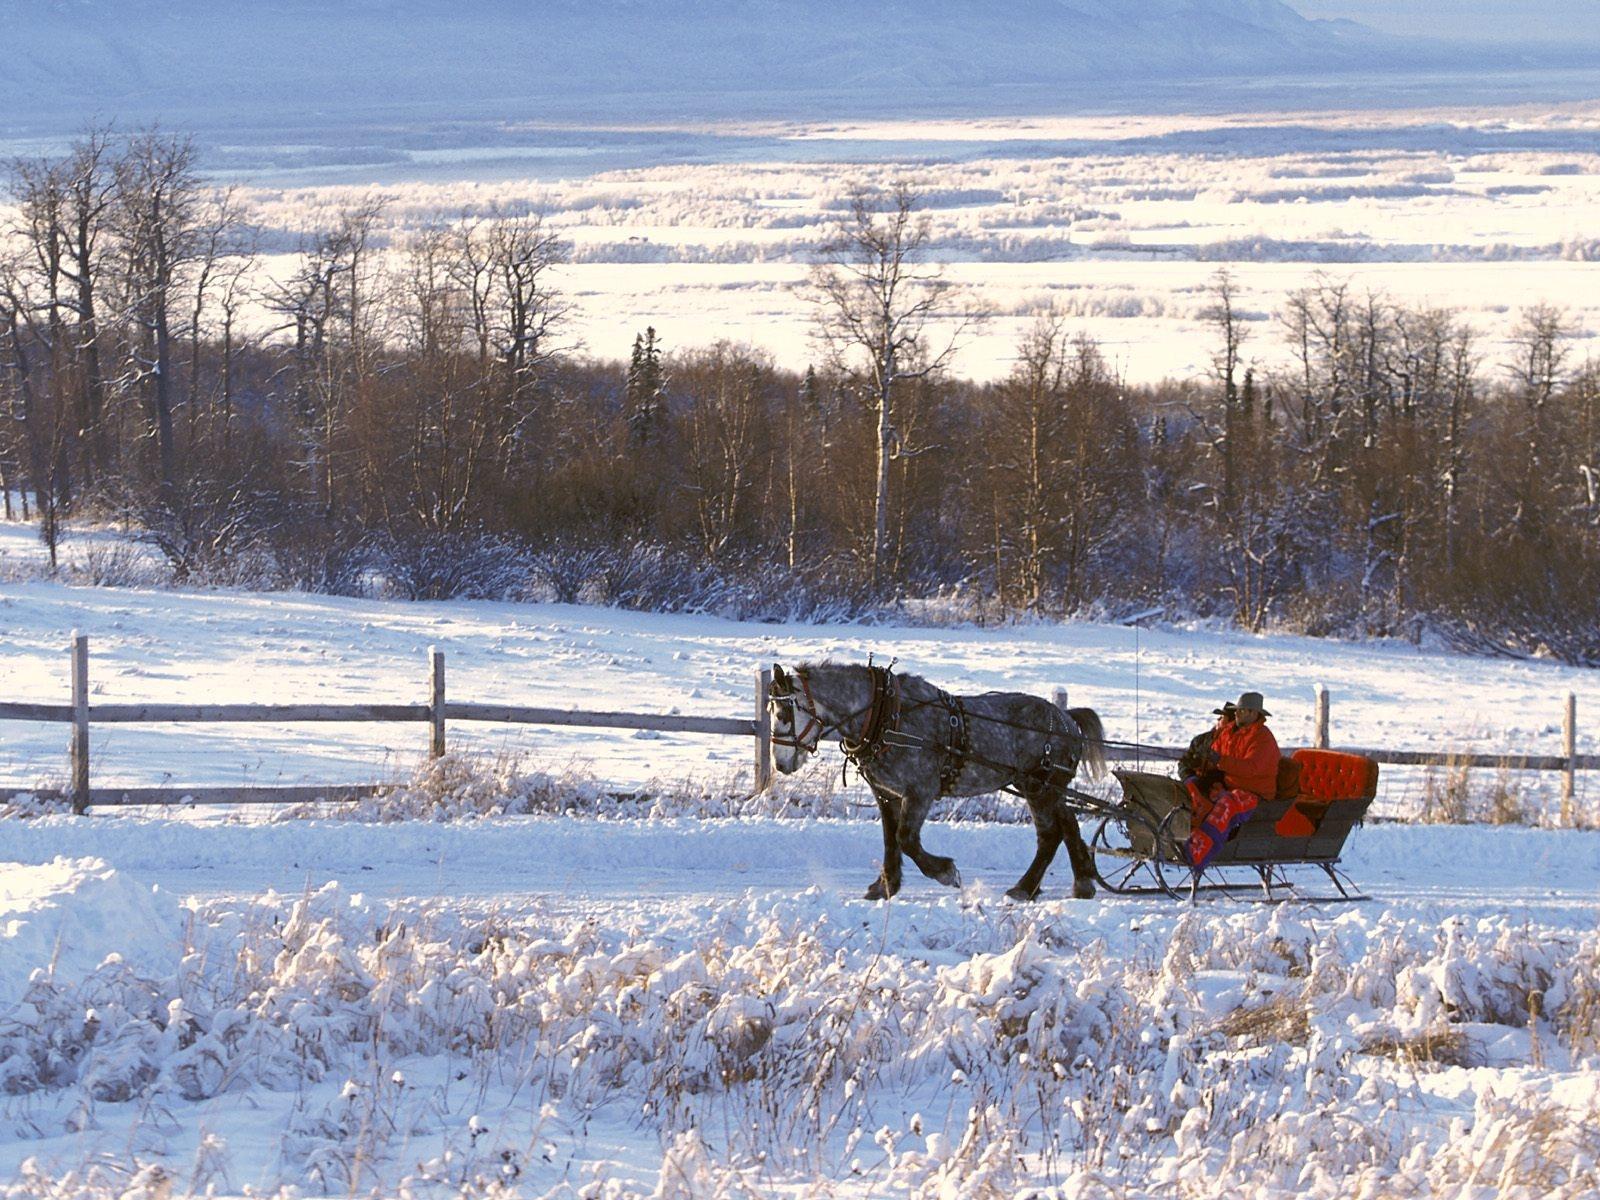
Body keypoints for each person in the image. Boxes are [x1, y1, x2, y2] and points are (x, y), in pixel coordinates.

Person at [1182, 691, 1279, 870]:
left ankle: (1199, 851)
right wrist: (1202, 764)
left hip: (1254, 792)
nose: (1236, 713)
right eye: (1237, 711)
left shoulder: (1263, 738)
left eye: (1240, 711)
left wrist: (1219, 760)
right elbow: (1216, 754)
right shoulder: (1228, 731)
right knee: (1192, 788)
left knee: (1227, 803)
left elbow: (1250, 768)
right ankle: (1182, 836)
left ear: (1253, 713)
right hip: (1228, 784)